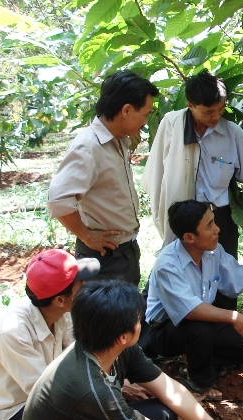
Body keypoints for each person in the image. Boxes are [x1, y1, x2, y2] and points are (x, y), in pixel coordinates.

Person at [20, 281, 243, 420]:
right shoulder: (89, 386)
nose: (142, 323)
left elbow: (170, 390)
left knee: (163, 413)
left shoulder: (114, 348)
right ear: (123, 336)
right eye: (138, 320)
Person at [142, 70, 243, 310]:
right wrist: (163, 214)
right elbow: (156, 172)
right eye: (208, 111)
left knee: (223, 274)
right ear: (190, 106)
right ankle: (167, 329)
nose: (215, 116)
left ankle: (227, 327)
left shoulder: (232, 133)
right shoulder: (171, 125)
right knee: (175, 270)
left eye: (220, 109)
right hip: (183, 217)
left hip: (218, 217)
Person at [143, 200, 243, 400]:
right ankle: (199, 381)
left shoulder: (212, 251)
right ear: (189, 237)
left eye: (214, 222)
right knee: (200, 328)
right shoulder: (167, 265)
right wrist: (234, 317)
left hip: (201, 324)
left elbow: (236, 275)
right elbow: (189, 311)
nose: (217, 229)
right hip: (166, 330)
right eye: (209, 226)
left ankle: (196, 356)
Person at [47, 71, 159, 286]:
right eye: (145, 114)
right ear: (126, 110)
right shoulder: (88, 147)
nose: (146, 121)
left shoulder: (118, 141)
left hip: (122, 251)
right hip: (104, 257)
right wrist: (86, 235)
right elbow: (58, 200)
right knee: (109, 318)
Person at [0, 250, 99, 420]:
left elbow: (80, 356)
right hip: (9, 411)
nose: (86, 288)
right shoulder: (11, 331)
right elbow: (44, 394)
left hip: (44, 394)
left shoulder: (61, 311)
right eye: (80, 284)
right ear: (60, 299)